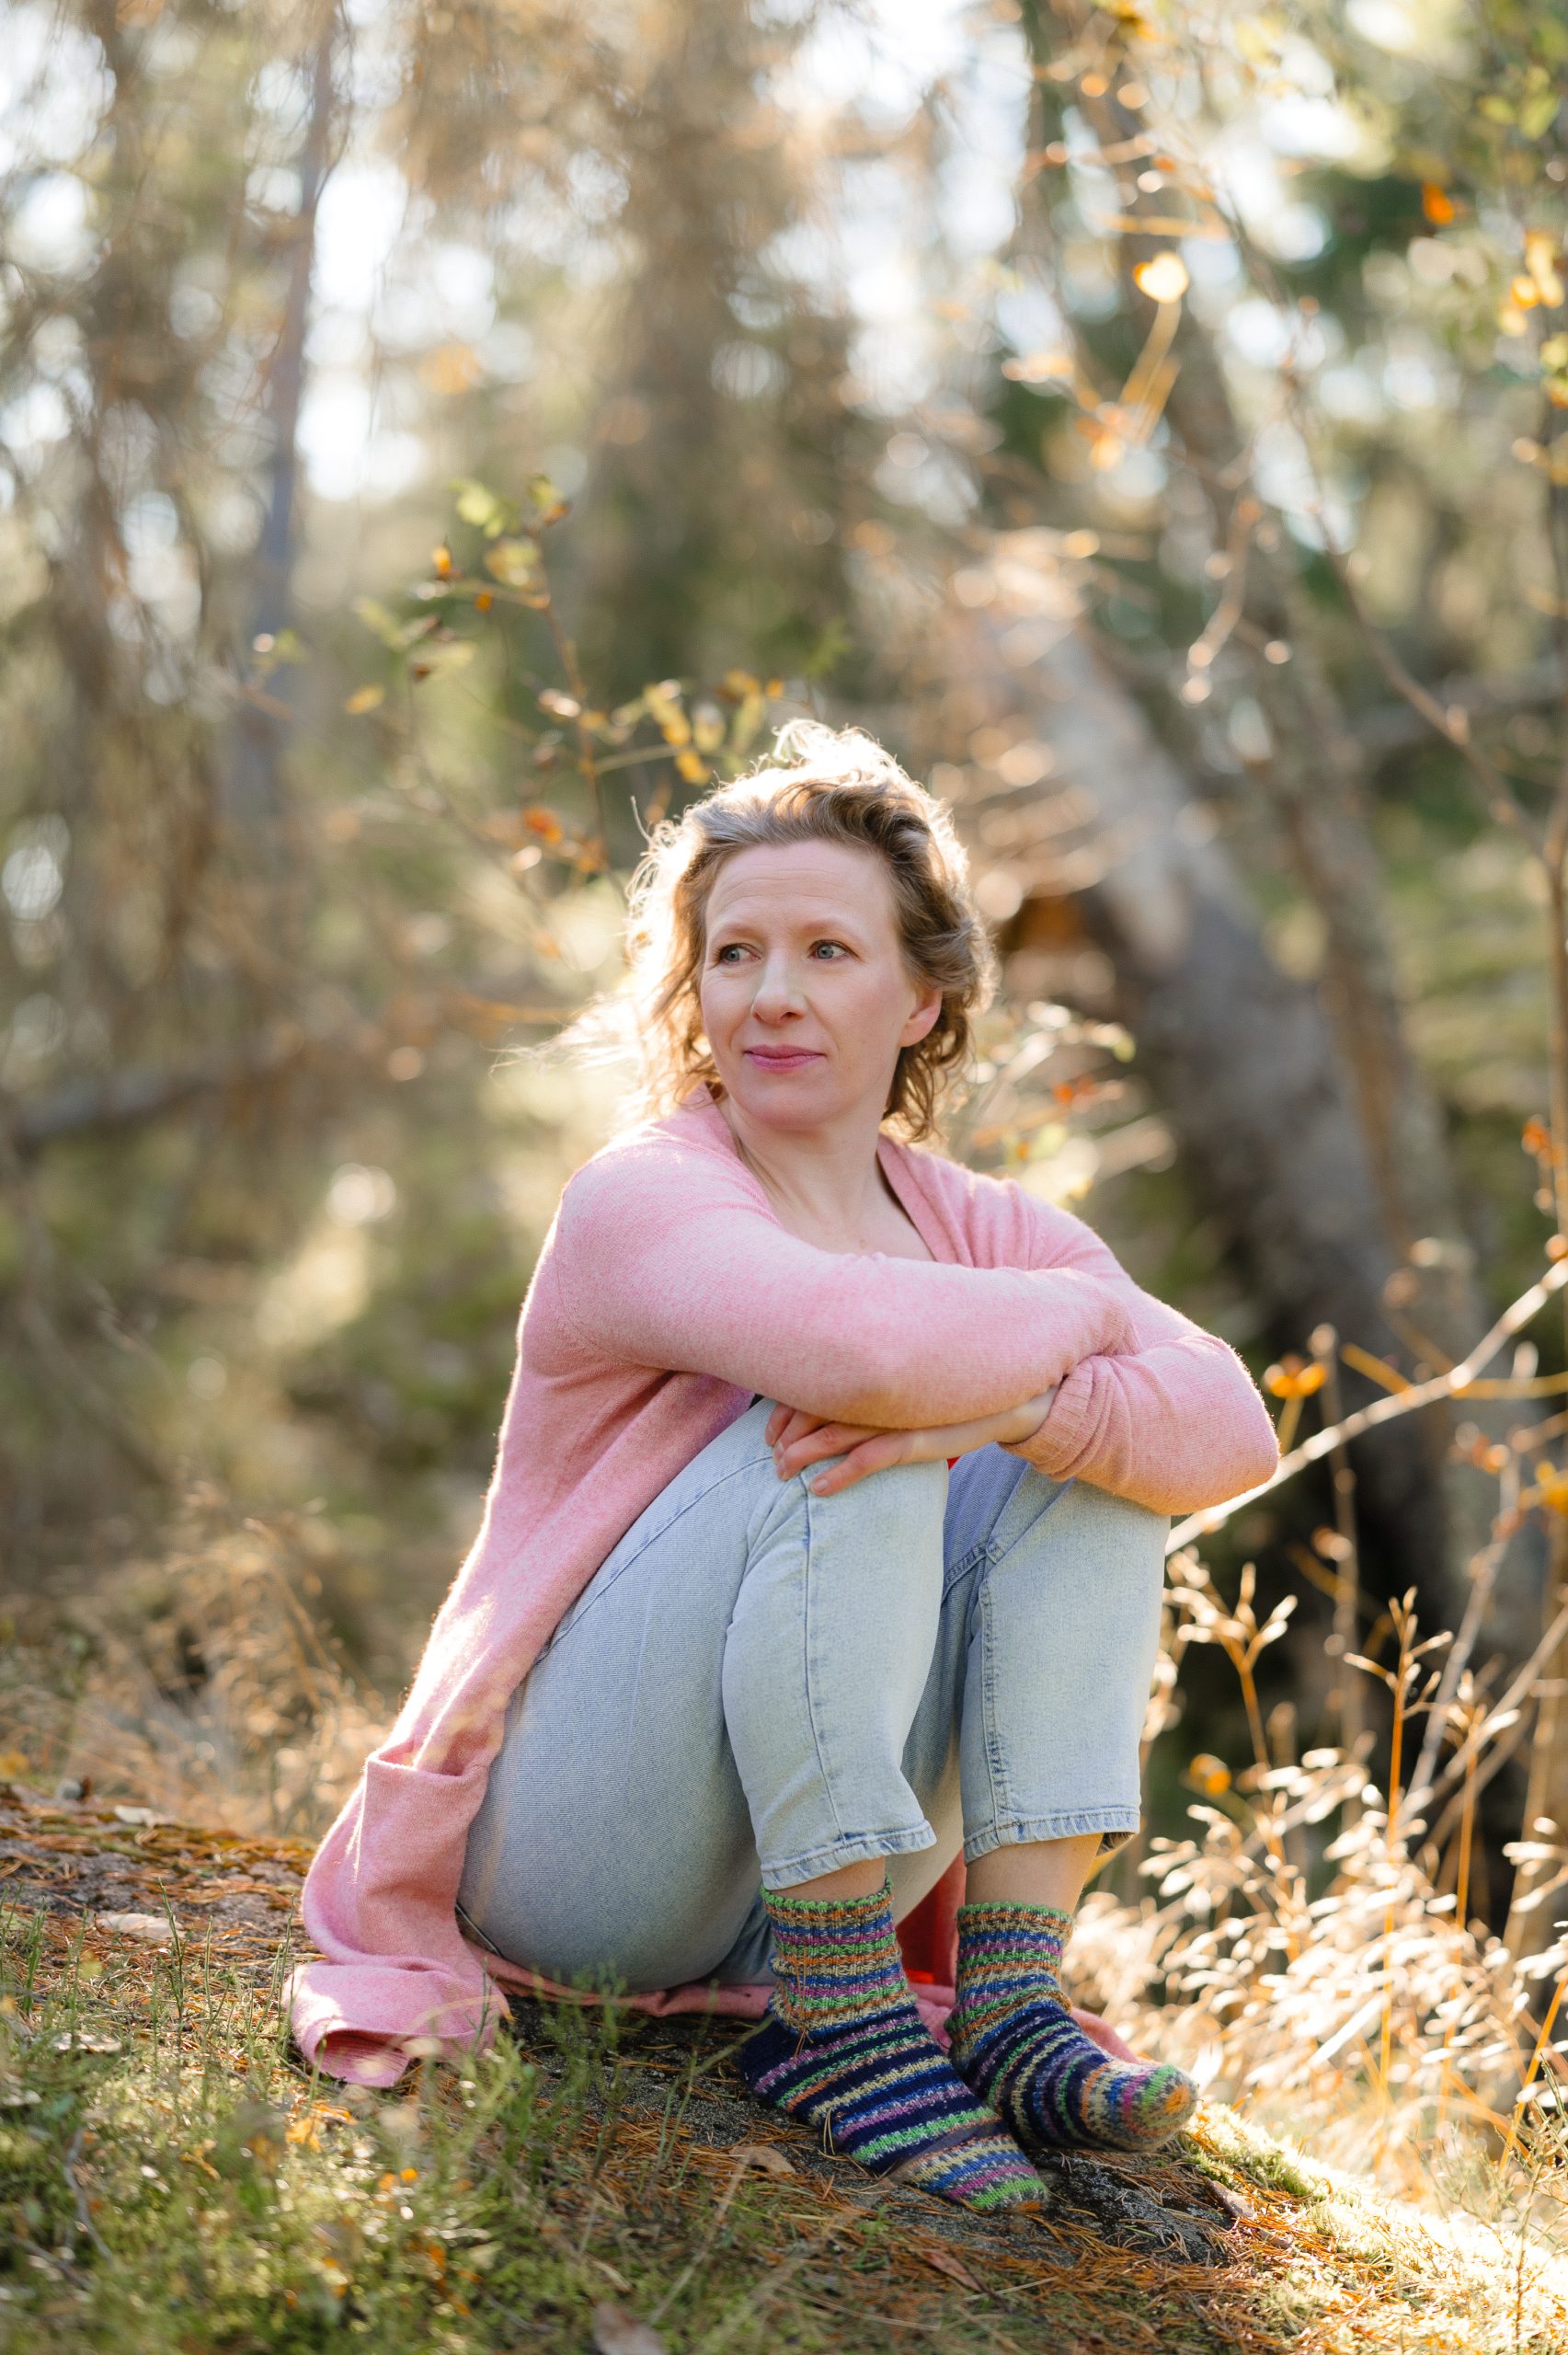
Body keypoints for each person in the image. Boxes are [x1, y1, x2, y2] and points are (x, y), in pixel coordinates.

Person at [290, 722, 1279, 2213]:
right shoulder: (643, 1197)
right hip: (585, 1853)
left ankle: (1010, 2004)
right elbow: (859, 1356)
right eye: (735, 954)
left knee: (1085, 1471)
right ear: (693, 989)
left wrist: (1021, 1412)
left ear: (920, 996)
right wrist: (1081, 1328)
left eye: (827, 951)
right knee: (852, 1438)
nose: (772, 995)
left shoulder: (978, 1223)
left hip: (800, 1878)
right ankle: (839, 2021)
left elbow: (1229, 1429)